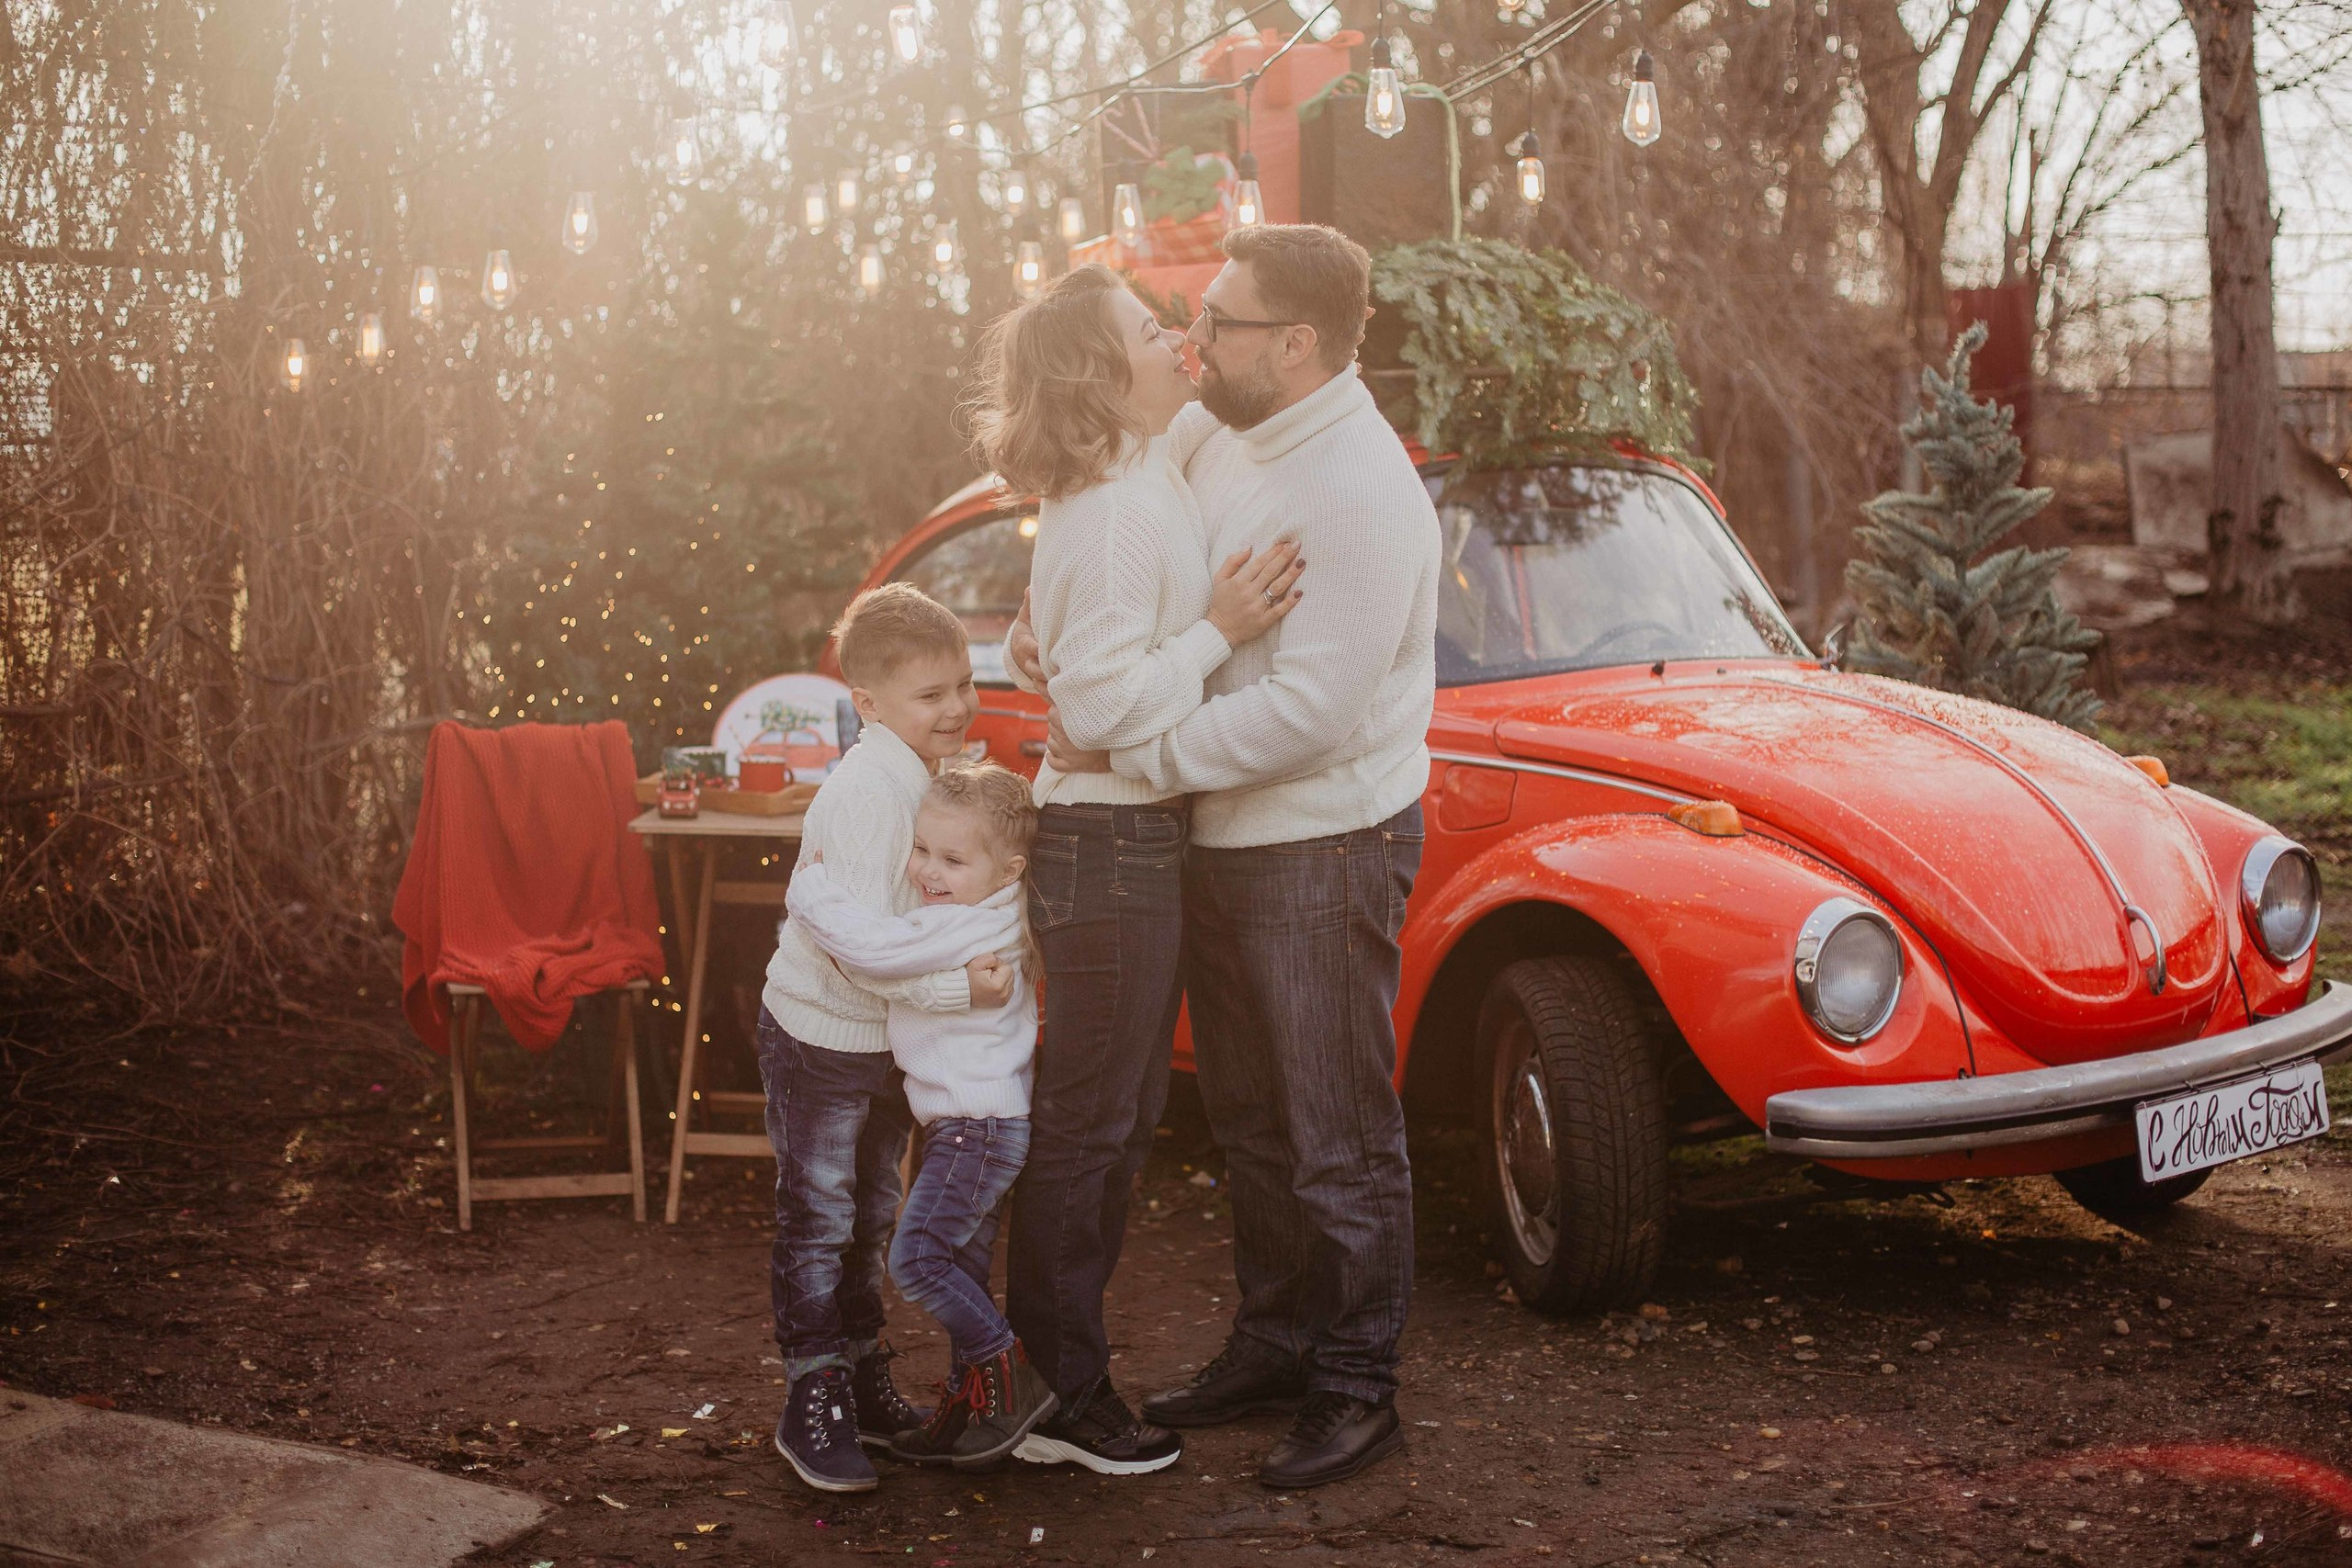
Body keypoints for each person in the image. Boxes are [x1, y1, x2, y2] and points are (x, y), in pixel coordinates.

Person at [1012, 223, 1440, 1489]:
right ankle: (1276, 1339)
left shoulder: (1362, 488)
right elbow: (1120, 565)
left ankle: (1359, 1385)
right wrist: (1057, 647)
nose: (1196, 341)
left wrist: (1135, 757)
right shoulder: (1216, 428)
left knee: (1338, 1131)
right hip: (1219, 833)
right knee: (1252, 1120)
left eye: (1226, 321)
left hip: (1322, 845)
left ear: (1297, 345)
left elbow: (1306, 710)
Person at [967, 263, 1306, 1477]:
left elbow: (1079, 663)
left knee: (1112, 1119)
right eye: (1146, 330)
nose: (1175, 339)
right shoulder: (1117, 507)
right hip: (1105, 847)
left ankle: (1040, 1371)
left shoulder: (1140, 470)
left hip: (1123, 837)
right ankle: (1055, 1390)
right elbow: (1103, 698)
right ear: (1100, 377)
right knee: (1092, 1126)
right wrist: (1222, 625)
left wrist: (1045, 640)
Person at [755, 582, 1013, 1495]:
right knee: (820, 1217)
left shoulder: (926, 779)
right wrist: (961, 990)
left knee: (870, 1214)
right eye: (929, 696)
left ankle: (860, 1373)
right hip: (821, 1038)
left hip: (881, 1047)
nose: (954, 708)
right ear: (867, 703)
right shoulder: (868, 793)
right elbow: (860, 951)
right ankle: (810, 1391)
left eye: (959, 686)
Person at [785, 762, 1058, 1472]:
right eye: (923, 849)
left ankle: (1008, 1373)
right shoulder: (993, 903)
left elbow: (873, 951)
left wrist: (810, 887)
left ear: (1008, 869)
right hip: (973, 1127)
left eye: (953, 858)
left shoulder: (961, 924)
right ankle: (970, 1407)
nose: (928, 871)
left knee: (915, 1260)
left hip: (977, 1129)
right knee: (959, 1264)